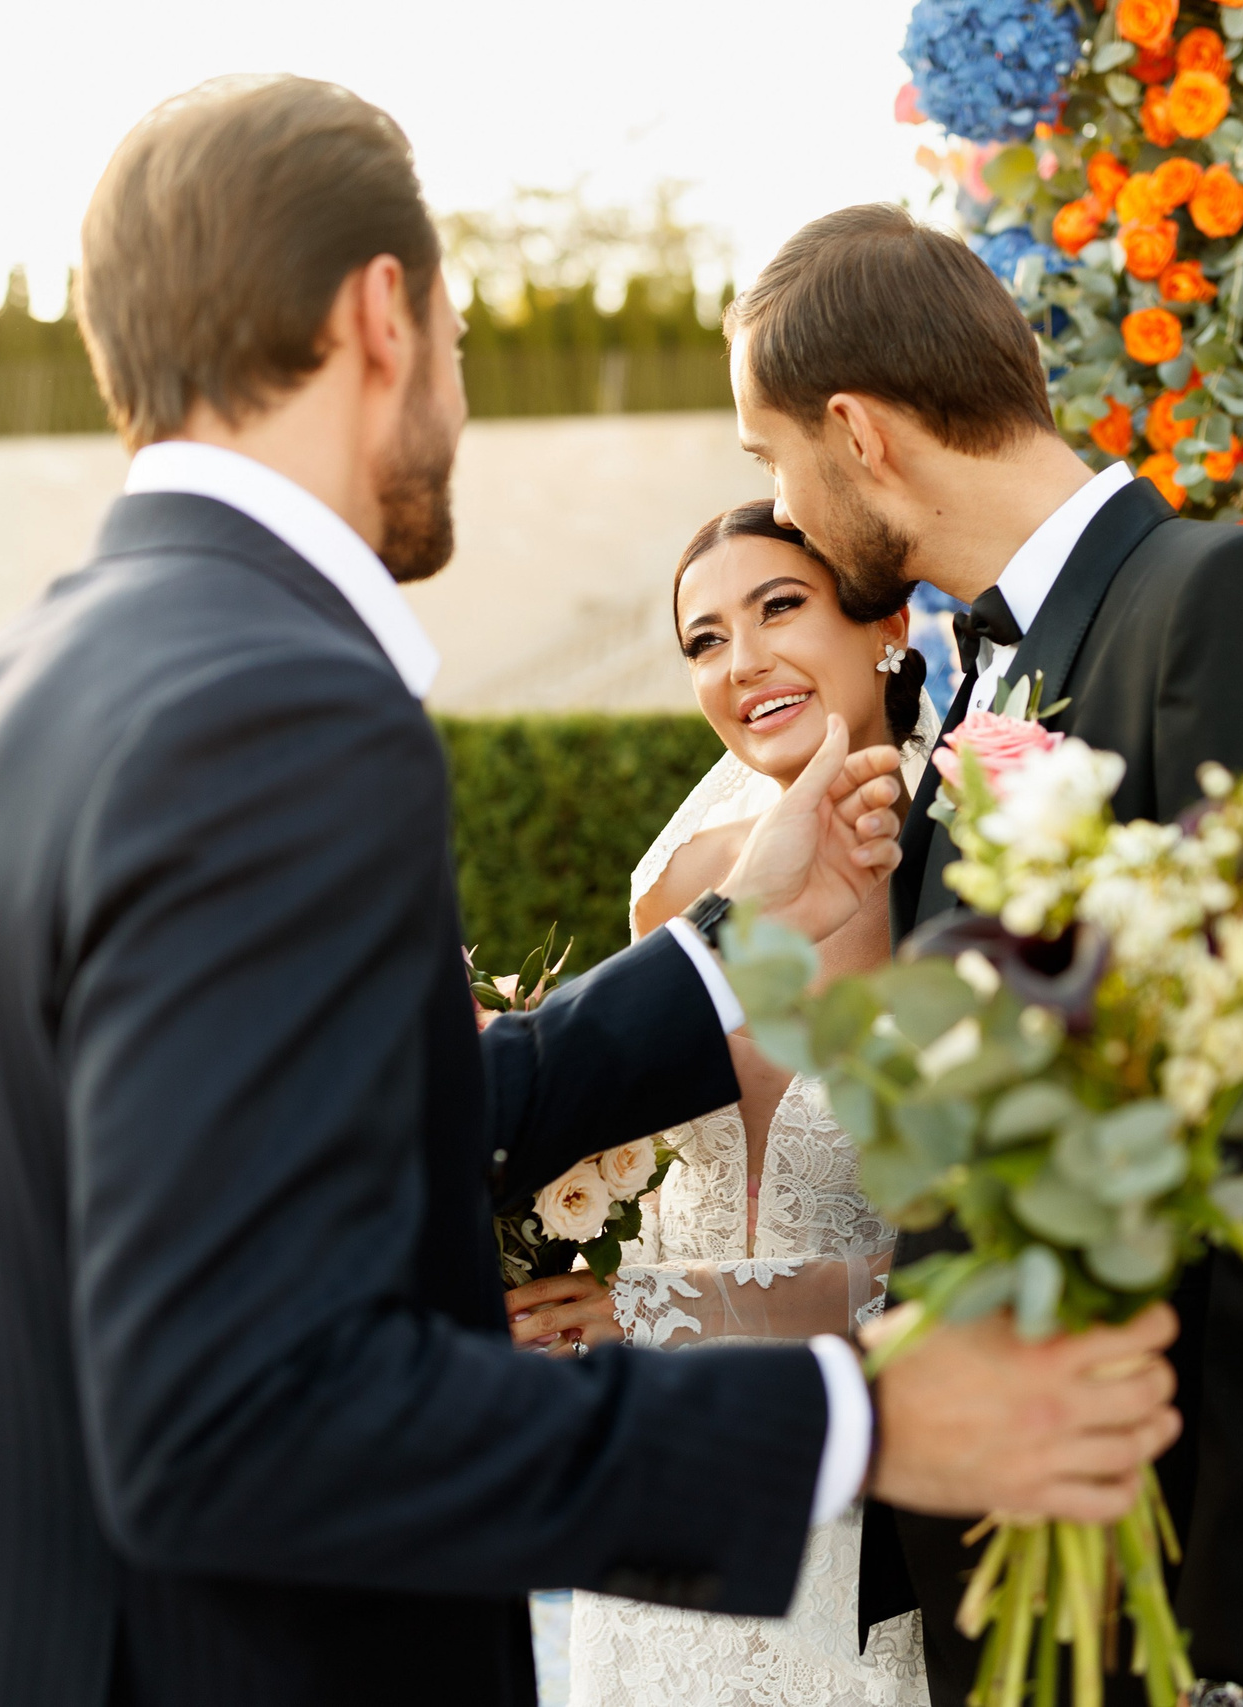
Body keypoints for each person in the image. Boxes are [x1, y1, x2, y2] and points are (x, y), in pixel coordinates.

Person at [0, 81, 1182, 1707]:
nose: (464, 407)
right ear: (383, 315)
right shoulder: (276, 704)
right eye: (469, 341)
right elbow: (242, 1419)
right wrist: (868, 1417)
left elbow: (321, 1145)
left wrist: (728, 952)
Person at [724, 203, 1243, 1707]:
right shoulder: (984, 675)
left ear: (857, 432)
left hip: (1197, 1601)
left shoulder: (1240, 603)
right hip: (1026, 1591)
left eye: (773, 459)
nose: (786, 509)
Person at [503, 501, 939, 1706]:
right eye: (702, 640)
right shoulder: (685, 886)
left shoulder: (965, 875)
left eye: (779, 608)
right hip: (663, 1493)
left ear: (889, 623)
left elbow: (964, 1268)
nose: (740, 662)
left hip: (866, 1512)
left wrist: (655, 1312)